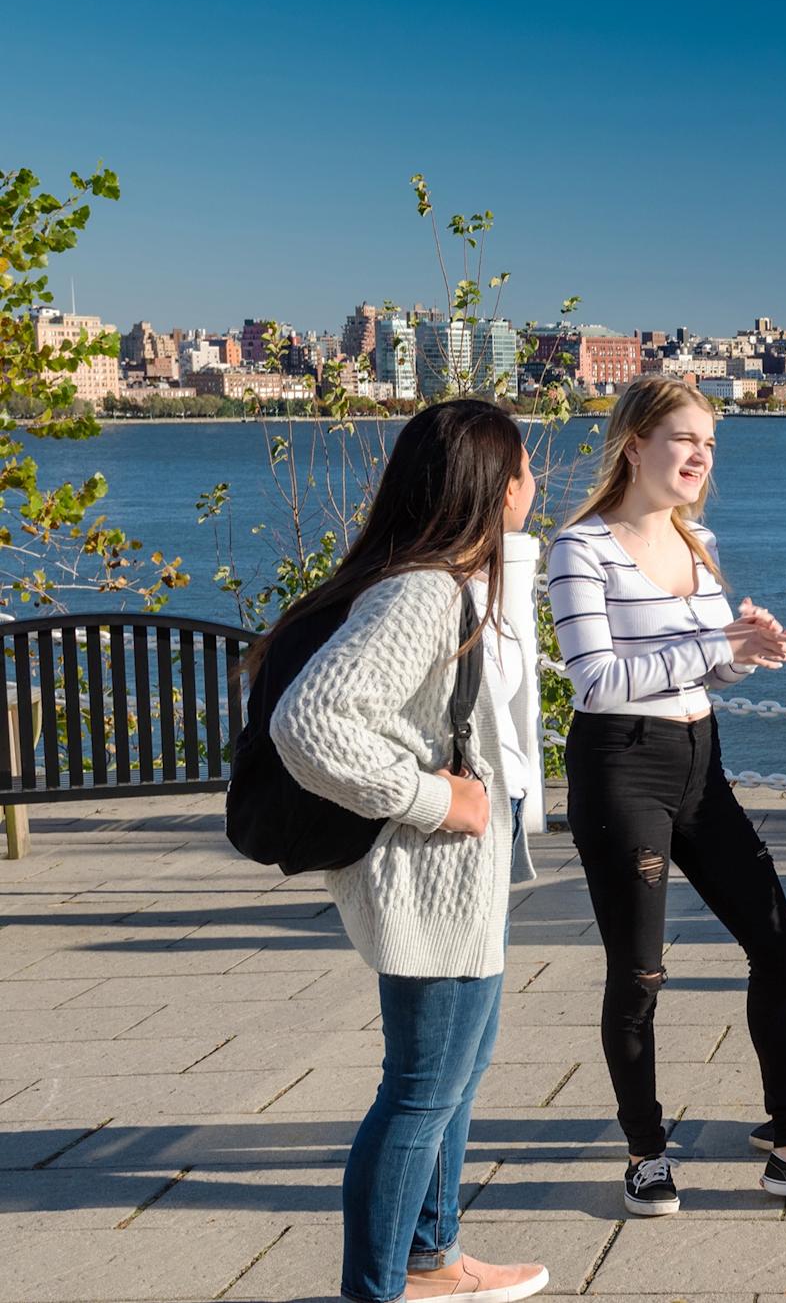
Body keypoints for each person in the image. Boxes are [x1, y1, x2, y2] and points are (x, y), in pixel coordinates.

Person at [549, 376, 786, 1213]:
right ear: (635, 445)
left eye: (709, 444)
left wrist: (745, 652)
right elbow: (595, 680)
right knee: (640, 973)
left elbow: (705, 667)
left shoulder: (699, 541)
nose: (700, 456)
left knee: (782, 947)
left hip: (702, 762)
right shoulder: (580, 547)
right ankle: (645, 1151)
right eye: (684, 439)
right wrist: (712, 641)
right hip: (622, 765)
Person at [267, 398, 549, 1303]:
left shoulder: (456, 580)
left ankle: (433, 1259)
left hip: (459, 882)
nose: (536, 483)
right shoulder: (423, 592)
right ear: (496, 487)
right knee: (421, 1094)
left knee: (452, 1085)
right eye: (525, 469)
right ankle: (375, 1289)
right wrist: (432, 801)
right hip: (426, 880)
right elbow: (308, 723)